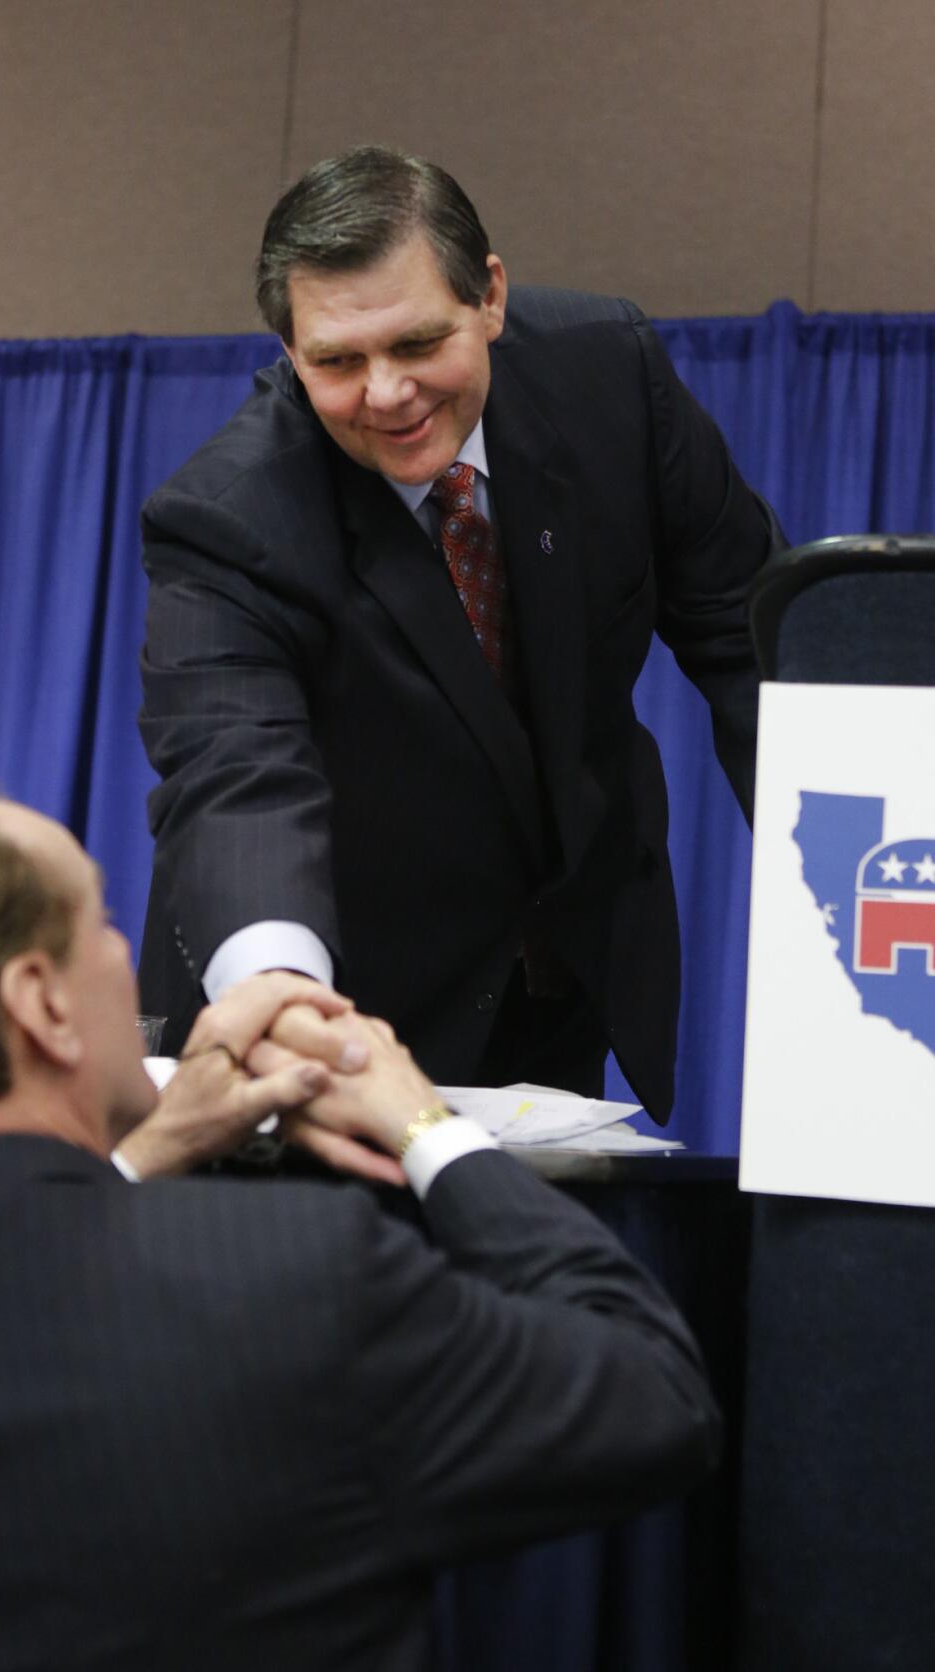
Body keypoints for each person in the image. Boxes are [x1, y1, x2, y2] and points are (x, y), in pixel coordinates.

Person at [0, 778, 719, 1672]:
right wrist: (423, 1120)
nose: (122, 953)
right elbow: (653, 1395)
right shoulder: (305, 1277)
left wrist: (131, 1156)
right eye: (104, 923)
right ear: (41, 1003)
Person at [137, 144, 785, 1120]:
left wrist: (867, 860)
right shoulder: (232, 514)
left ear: (490, 295)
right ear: (286, 351)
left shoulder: (609, 379)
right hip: (332, 1016)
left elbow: (762, 648)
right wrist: (282, 989)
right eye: (338, 361)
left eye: (416, 343)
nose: (387, 393)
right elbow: (234, 775)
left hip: (558, 984)